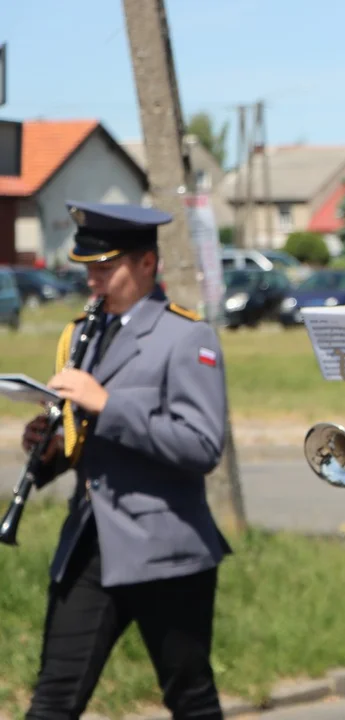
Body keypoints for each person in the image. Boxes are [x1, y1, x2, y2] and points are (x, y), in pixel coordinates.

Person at [21, 202, 230, 720]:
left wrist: (108, 406)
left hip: (165, 549)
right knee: (53, 699)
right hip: (90, 541)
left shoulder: (187, 337)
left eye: (104, 268)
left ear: (145, 264)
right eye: (88, 269)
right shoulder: (82, 335)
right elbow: (85, 438)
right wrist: (49, 449)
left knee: (190, 698)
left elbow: (202, 446)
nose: (93, 280)